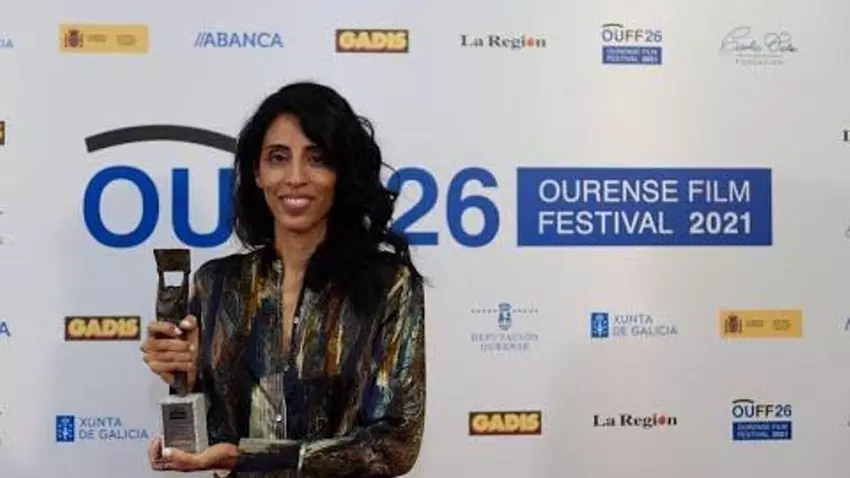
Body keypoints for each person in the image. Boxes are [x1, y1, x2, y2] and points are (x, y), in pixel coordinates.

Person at [140, 81, 426, 477]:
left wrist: (252, 458)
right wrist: (184, 380)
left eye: (317, 158)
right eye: (278, 157)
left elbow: (396, 444)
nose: (295, 177)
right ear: (257, 172)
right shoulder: (216, 285)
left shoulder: (388, 285)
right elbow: (211, 437)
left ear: (340, 172)